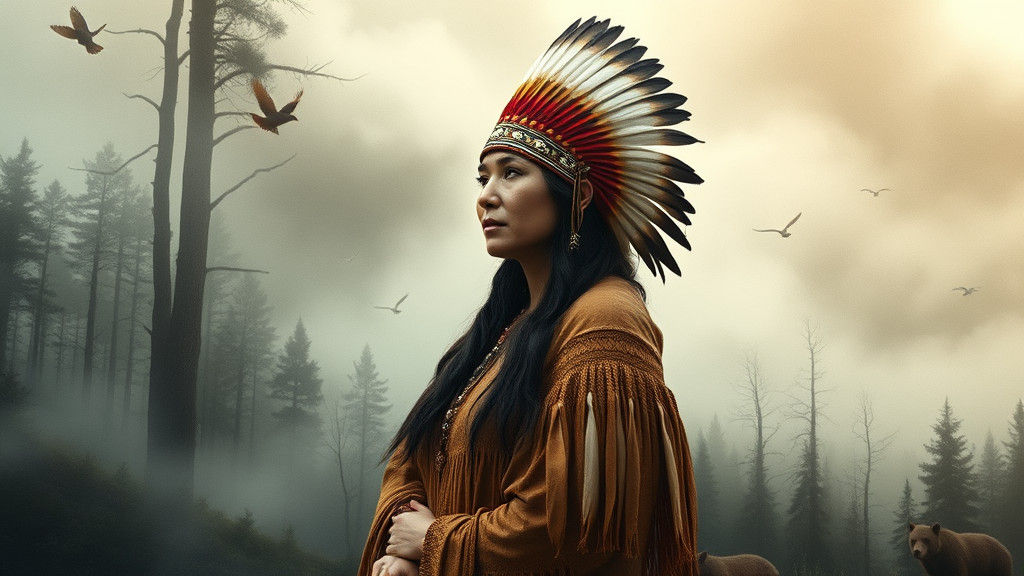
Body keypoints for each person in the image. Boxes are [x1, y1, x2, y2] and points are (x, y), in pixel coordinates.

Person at [358, 16, 703, 576]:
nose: (486, 197)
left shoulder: (606, 321)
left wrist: (436, 543)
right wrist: (405, 550)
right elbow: (412, 455)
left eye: (511, 173)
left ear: (579, 195)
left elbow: (576, 528)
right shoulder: (502, 327)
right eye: (482, 177)